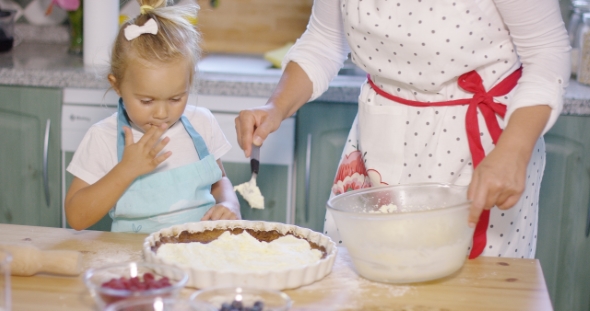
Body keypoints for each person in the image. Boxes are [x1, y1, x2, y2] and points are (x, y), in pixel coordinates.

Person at [234, 0, 570, 258]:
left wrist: (514, 149)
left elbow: (547, 52)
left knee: (473, 289)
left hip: (484, 149)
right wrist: (275, 107)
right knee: (367, 280)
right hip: (380, 137)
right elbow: (324, 41)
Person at [65, 0, 240, 233]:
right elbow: (76, 217)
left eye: (176, 98)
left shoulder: (202, 123)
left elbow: (219, 182)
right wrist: (126, 169)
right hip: (134, 261)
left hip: (197, 254)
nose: (162, 113)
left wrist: (230, 203)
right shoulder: (103, 137)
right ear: (116, 86)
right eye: (147, 101)